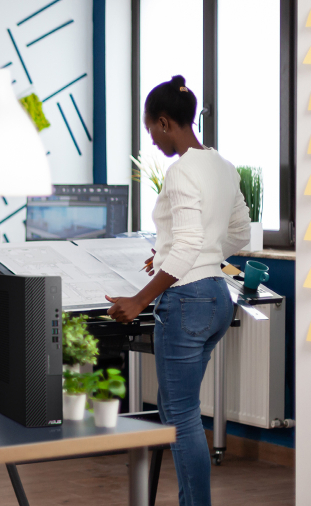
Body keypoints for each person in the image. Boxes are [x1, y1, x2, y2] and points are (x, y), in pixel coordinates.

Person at [105, 75, 250, 506]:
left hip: (187, 301)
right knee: (184, 412)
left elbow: (190, 243)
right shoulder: (223, 166)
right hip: (217, 300)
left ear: (166, 122)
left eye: (151, 131)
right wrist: (180, 251)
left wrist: (140, 299)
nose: (152, 142)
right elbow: (239, 233)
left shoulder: (182, 170)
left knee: (181, 417)